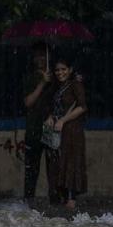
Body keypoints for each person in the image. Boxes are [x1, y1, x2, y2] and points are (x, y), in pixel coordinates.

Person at [45, 58, 87, 209]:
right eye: (57, 70)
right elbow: (54, 107)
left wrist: (64, 120)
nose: (60, 72)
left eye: (63, 69)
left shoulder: (75, 84)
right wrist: (50, 117)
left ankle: (72, 198)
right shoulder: (57, 87)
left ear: (70, 70)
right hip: (58, 129)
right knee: (58, 162)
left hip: (72, 129)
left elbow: (82, 107)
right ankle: (62, 195)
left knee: (71, 161)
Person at [22, 42, 52, 200]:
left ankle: (56, 200)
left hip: (51, 130)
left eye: (43, 55)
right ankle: (29, 201)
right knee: (31, 169)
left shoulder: (55, 76)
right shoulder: (30, 78)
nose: (41, 58)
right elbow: (28, 102)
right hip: (33, 129)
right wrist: (42, 83)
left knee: (54, 169)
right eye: (38, 56)